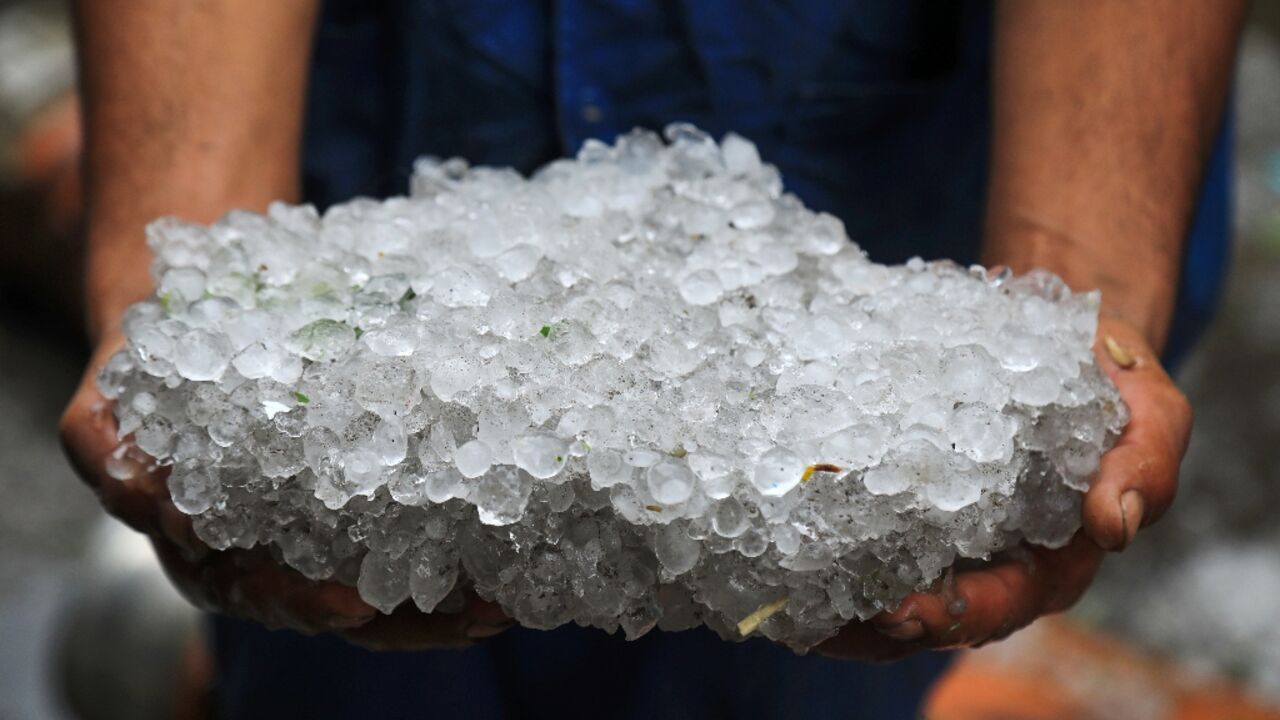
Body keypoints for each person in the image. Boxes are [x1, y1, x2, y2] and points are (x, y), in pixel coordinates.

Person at [59, 1, 1242, 717]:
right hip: (384, 81)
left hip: (868, 98)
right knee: (327, 654)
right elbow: (200, 285)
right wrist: (186, 256)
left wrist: (1064, 271)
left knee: (826, 652)